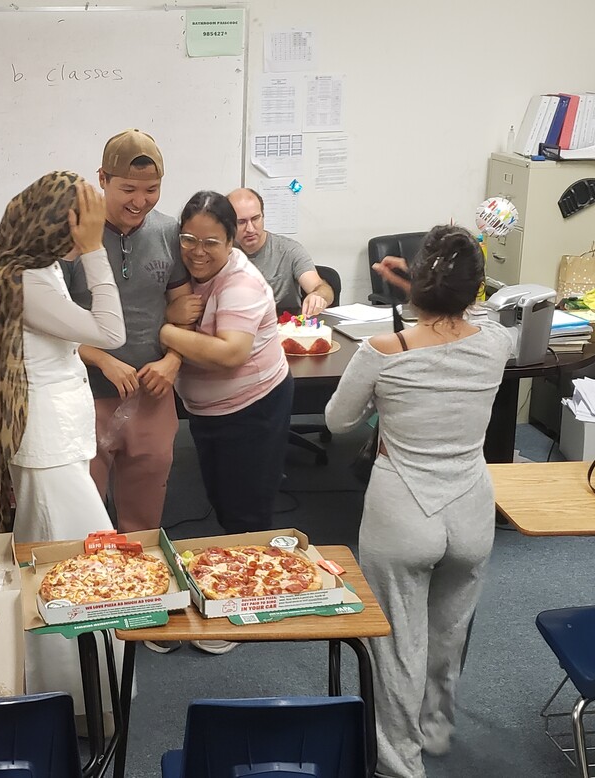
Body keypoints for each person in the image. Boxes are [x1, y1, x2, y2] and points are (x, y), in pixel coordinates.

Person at [328, 226, 517, 778]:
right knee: (450, 629)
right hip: (471, 510)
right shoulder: (496, 342)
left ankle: (400, 763)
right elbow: (478, 312)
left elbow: (338, 421)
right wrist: (431, 287)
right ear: (474, 288)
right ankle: (435, 727)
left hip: (403, 511)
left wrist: (384, 411)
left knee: (396, 643)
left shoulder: (382, 351)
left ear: (418, 283)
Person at [0, 172, 124, 719]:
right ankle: (73, 700)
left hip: (57, 438)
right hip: (47, 447)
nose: (93, 225)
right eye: (84, 218)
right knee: (71, 567)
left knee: (66, 566)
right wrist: (96, 252)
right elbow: (111, 332)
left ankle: (71, 696)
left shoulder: (41, 268)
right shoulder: (26, 281)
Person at [62, 129, 187, 534]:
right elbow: (48, 324)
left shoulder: (169, 232)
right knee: (85, 523)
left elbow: (185, 310)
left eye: (152, 190)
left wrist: (173, 361)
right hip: (84, 394)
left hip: (152, 395)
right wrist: (101, 359)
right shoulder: (72, 235)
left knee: (144, 521)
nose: (140, 201)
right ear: (102, 178)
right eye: (128, 189)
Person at [162, 191, 293, 537]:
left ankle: (255, 570)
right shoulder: (183, 270)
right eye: (188, 239)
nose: (198, 251)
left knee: (246, 516)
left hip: (252, 409)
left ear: (230, 241)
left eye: (210, 242)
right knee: (223, 502)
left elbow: (229, 354)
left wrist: (164, 330)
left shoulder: (241, 283)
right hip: (207, 412)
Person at [227, 187, 334, 316]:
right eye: (241, 222)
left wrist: (318, 295)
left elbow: (321, 287)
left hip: (284, 323)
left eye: (255, 218)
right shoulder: (222, 253)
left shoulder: (289, 250)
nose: (250, 229)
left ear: (263, 216)